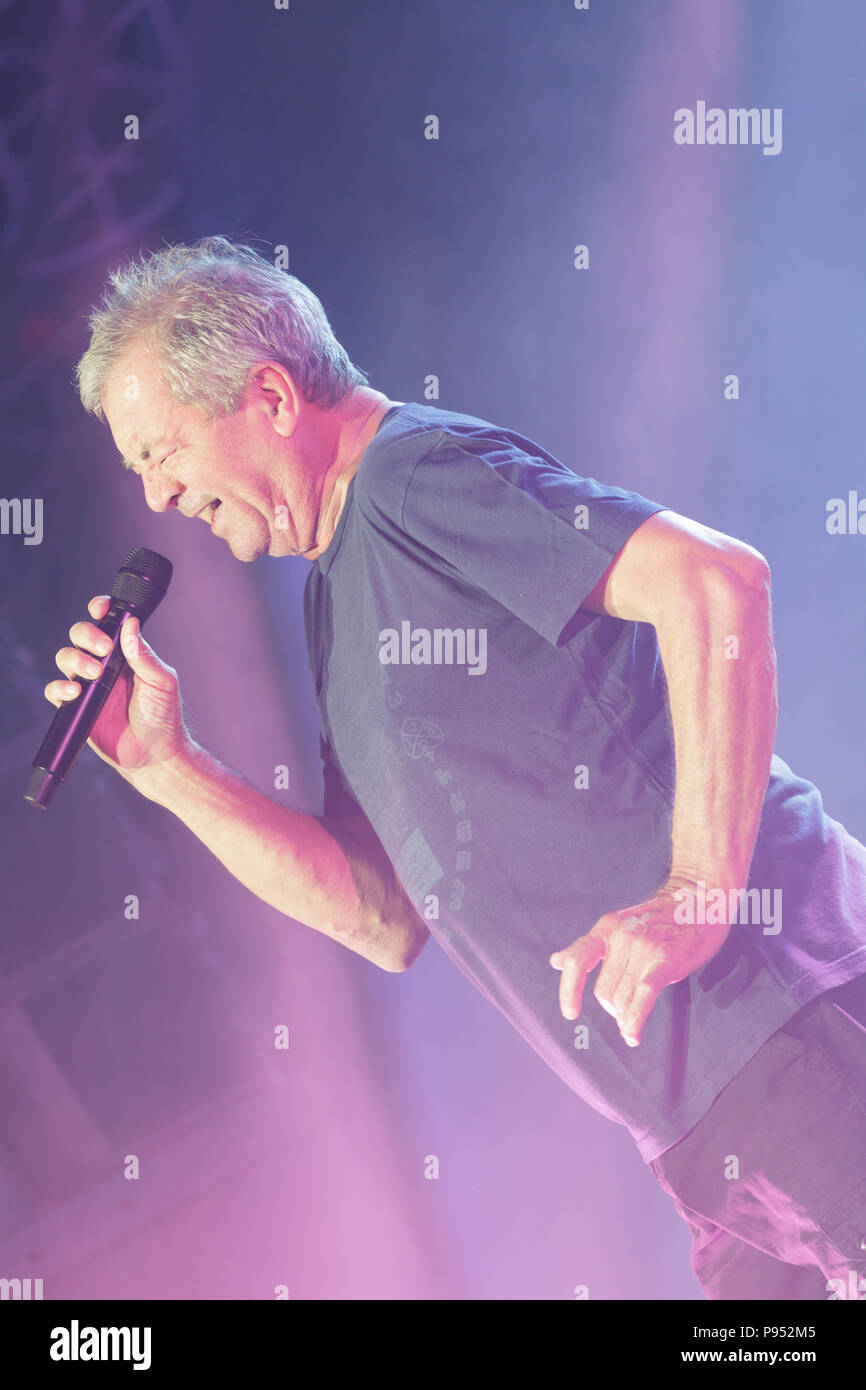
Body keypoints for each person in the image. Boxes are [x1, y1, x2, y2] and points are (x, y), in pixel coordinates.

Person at [47, 236, 866, 1300]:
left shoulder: (411, 477)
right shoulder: (335, 595)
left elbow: (713, 584)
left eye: (161, 450)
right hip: (698, 1118)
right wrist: (167, 767)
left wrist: (699, 892)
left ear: (269, 396)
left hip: (779, 1023)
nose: (156, 495)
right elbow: (383, 915)